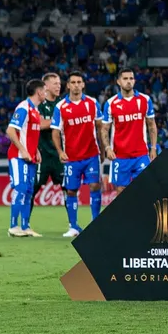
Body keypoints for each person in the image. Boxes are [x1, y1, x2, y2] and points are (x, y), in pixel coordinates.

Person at [51, 72, 103, 237]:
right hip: (71, 157)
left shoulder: (92, 103)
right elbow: (55, 132)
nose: (75, 85)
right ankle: (73, 226)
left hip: (91, 154)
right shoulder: (60, 107)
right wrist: (60, 151)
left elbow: (100, 127)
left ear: (83, 84)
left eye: (79, 82)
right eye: (72, 82)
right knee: (71, 190)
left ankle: (96, 222)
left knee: (95, 185)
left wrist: (102, 148)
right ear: (68, 85)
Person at [97, 68, 157, 194]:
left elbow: (151, 125)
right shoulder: (110, 103)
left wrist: (153, 148)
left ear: (134, 81)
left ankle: (141, 214)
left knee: (144, 189)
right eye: (125, 79)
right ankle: (124, 214)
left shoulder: (145, 100)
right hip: (120, 155)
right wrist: (107, 148)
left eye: (131, 78)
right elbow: (104, 129)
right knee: (120, 190)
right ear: (118, 81)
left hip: (141, 154)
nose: (129, 81)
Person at [6, 80, 46, 237]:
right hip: (18, 157)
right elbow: (10, 130)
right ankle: (13, 226)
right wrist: (23, 150)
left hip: (30, 157)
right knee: (21, 188)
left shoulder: (35, 110)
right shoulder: (24, 107)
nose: (45, 93)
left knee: (29, 191)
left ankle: (25, 226)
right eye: (44, 90)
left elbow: (28, 134)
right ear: (38, 92)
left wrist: (36, 150)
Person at [29, 73, 63, 224]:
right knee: (32, 189)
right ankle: (25, 223)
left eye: (59, 83)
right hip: (41, 154)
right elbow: (39, 124)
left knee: (68, 189)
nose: (58, 86)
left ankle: (72, 225)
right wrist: (59, 121)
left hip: (59, 155)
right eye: (55, 83)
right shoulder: (38, 105)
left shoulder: (63, 103)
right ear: (46, 86)